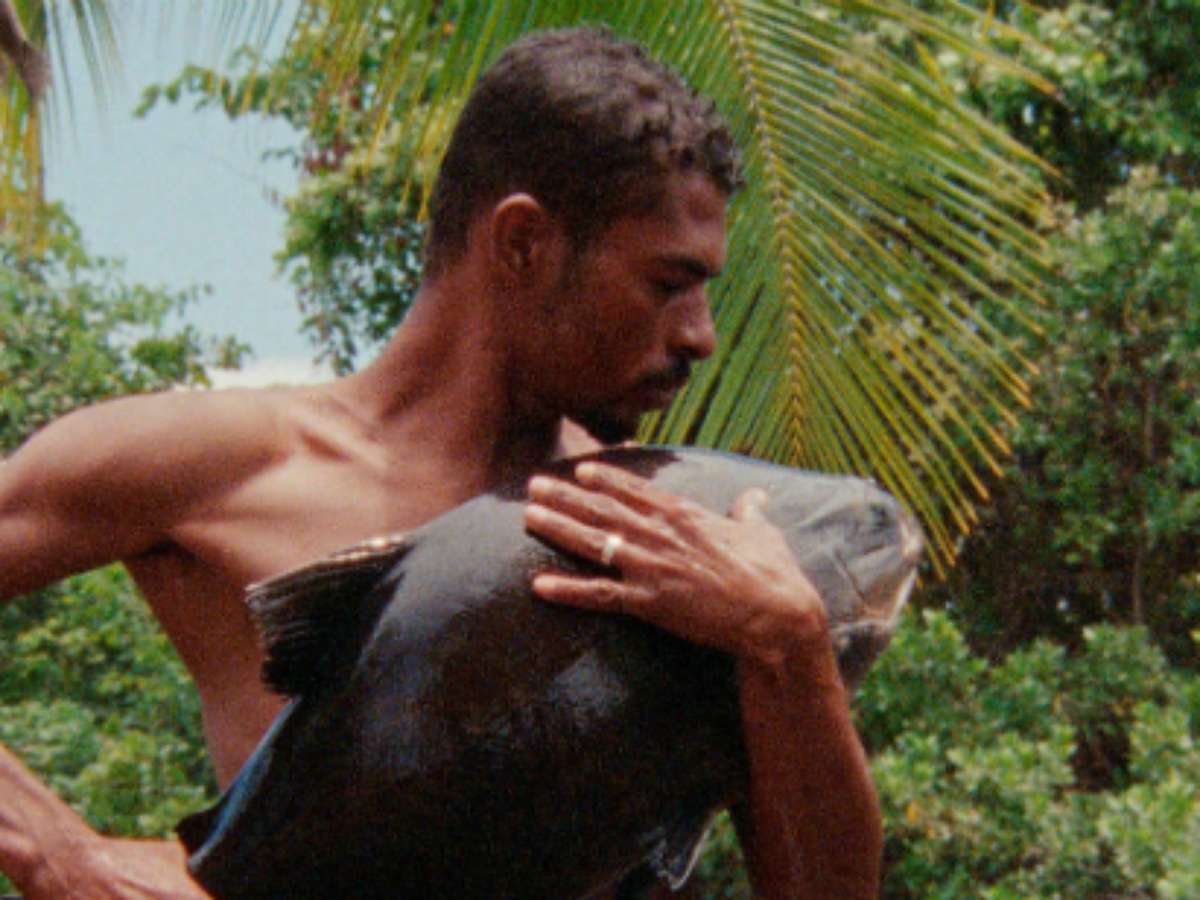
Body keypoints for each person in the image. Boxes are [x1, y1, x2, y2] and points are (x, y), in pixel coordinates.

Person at [0, 27, 881, 899]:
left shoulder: (676, 537)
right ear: (524, 242)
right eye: (668, 283)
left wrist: (792, 648)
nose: (701, 335)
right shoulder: (217, 467)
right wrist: (59, 853)